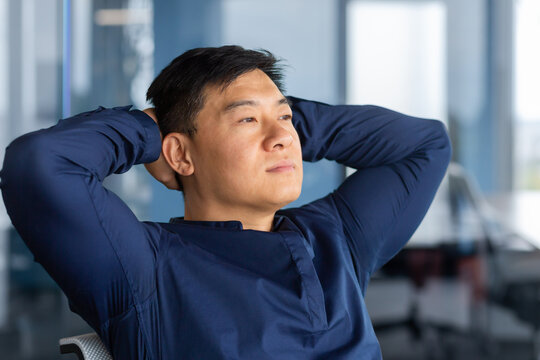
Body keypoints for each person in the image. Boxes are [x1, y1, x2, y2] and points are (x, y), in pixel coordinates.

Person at [0, 45, 451, 359]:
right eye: (247, 119)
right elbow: (38, 163)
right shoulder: (143, 267)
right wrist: (147, 132)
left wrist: (280, 123)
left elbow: (425, 145)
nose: (281, 138)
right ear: (180, 153)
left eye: (287, 118)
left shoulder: (336, 236)